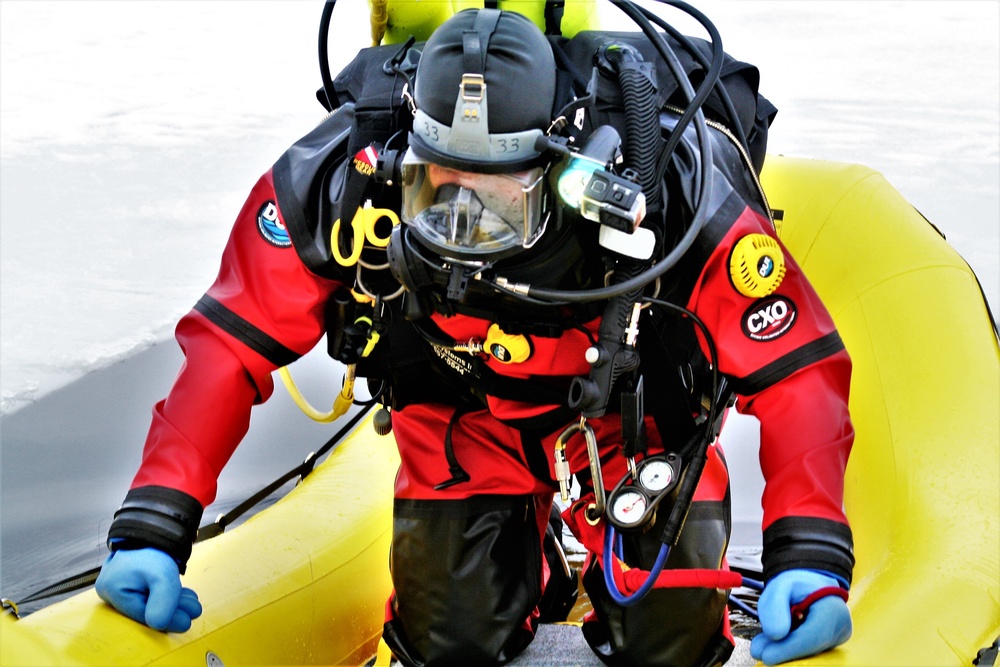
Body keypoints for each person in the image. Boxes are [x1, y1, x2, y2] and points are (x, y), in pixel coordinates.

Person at [95, 5, 855, 666]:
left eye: (497, 205)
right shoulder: (342, 182)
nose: (464, 228)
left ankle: (605, 570)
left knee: (670, 645)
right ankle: (530, 568)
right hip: (464, 417)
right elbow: (228, 347)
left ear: (561, 175)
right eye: (438, 194)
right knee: (450, 643)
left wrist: (811, 553)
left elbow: (799, 371)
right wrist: (154, 525)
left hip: (632, 421)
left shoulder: (672, 197)